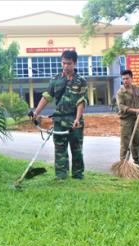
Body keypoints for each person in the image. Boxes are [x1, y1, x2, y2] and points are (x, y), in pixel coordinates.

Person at [30, 50, 88, 180]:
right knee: (60, 149)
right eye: (63, 63)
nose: (66, 66)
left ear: (75, 63)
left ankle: (78, 174)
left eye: (69, 63)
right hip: (59, 120)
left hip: (75, 120)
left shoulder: (81, 81)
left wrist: (78, 118)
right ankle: (61, 175)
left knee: (76, 149)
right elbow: (46, 97)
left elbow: (81, 101)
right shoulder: (55, 80)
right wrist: (36, 112)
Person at [116, 70, 139, 171]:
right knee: (125, 142)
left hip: (136, 119)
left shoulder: (137, 89)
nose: (125, 81)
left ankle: (137, 162)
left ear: (131, 78)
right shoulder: (120, 92)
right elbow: (121, 106)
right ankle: (123, 164)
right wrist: (136, 110)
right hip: (126, 120)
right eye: (123, 79)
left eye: (127, 78)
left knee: (137, 141)